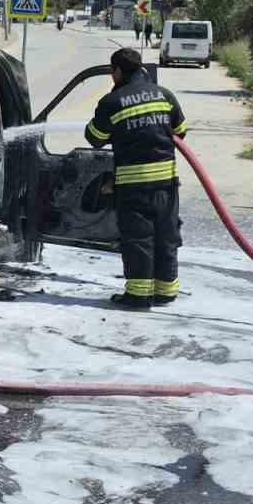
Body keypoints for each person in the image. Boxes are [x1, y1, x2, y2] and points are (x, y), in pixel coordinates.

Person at [85, 48, 190, 309]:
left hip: (133, 185)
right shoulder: (164, 95)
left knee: (138, 239)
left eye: (112, 72)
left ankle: (138, 295)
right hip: (167, 184)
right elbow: (180, 131)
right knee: (166, 235)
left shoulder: (112, 102)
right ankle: (166, 292)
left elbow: (95, 138)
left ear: (118, 71)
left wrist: (119, 131)